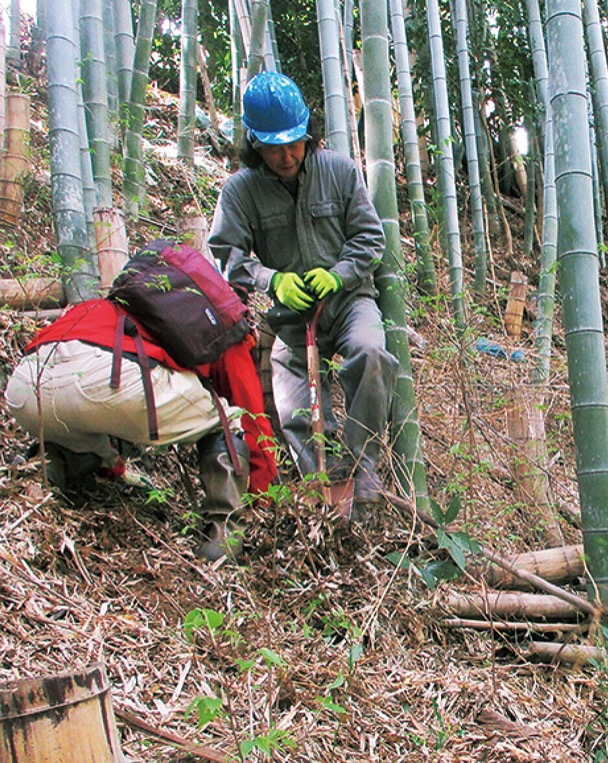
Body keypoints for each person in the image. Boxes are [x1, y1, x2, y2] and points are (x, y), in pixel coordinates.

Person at [208, 71, 397, 508]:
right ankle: (324, 486)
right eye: (275, 147)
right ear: (255, 143)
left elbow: (370, 238)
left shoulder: (339, 171)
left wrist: (340, 274)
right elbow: (224, 255)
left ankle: (361, 468)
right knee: (292, 400)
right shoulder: (240, 192)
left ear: (307, 134)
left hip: (349, 302)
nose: (287, 155)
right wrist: (271, 279)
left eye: (294, 143)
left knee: (370, 353)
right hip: (291, 317)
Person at [4, 298, 276, 561]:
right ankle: (224, 541)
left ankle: (47, 474)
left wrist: (113, 465)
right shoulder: (221, 325)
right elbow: (251, 415)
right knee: (227, 420)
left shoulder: (107, 306)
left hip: (25, 385)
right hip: (112, 376)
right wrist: (262, 493)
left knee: (79, 418)